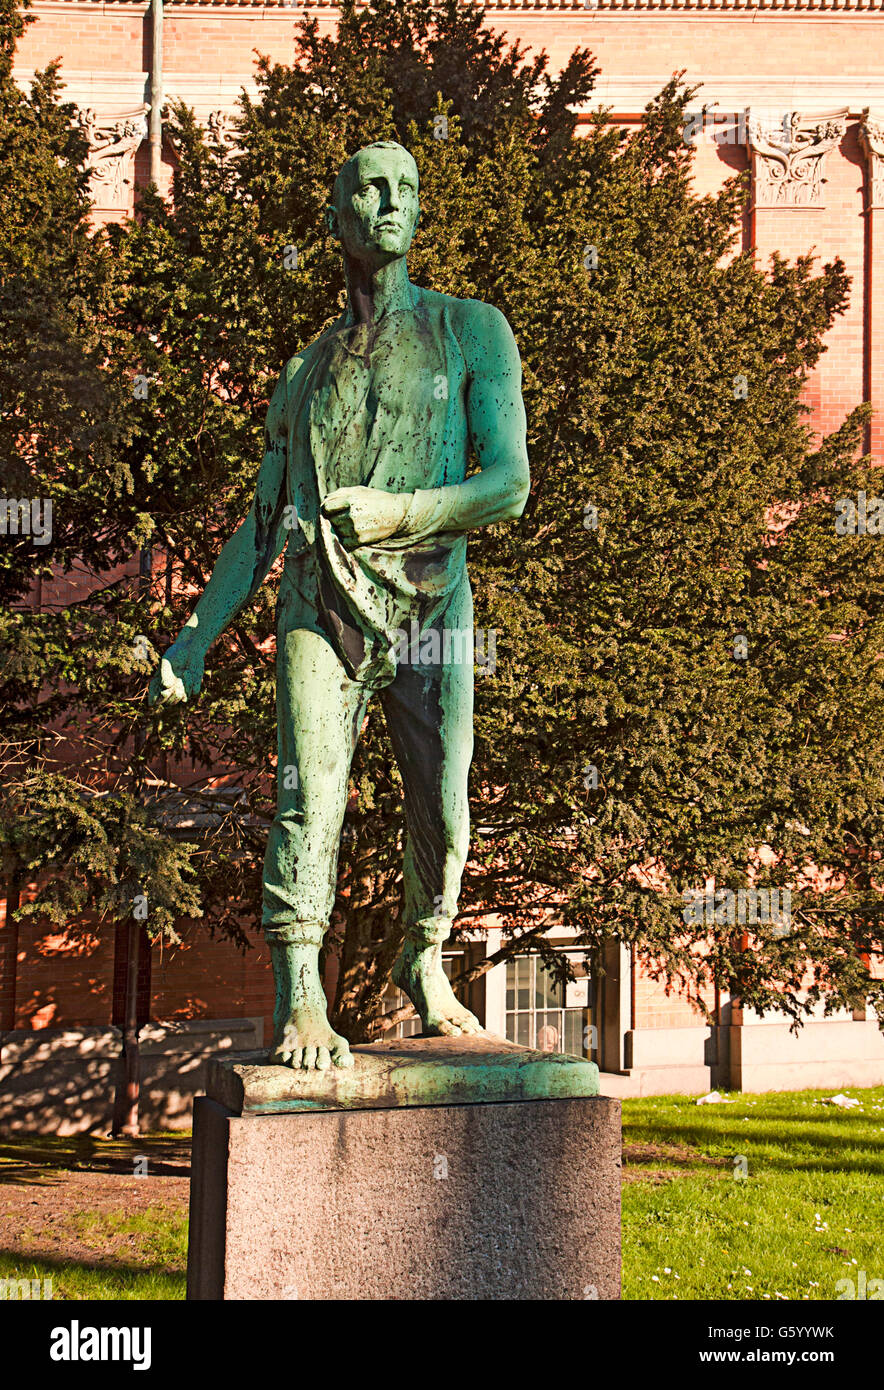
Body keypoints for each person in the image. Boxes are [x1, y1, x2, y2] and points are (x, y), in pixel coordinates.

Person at [150, 140, 530, 1069]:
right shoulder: (304, 371)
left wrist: (398, 513)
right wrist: (196, 637)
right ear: (338, 215)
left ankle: (421, 954)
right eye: (371, 188)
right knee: (307, 797)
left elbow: (509, 485)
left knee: (444, 811)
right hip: (320, 606)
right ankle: (300, 996)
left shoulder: (471, 330)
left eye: (407, 188)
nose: (392, 202)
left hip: (432, 610)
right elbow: (261, 520)